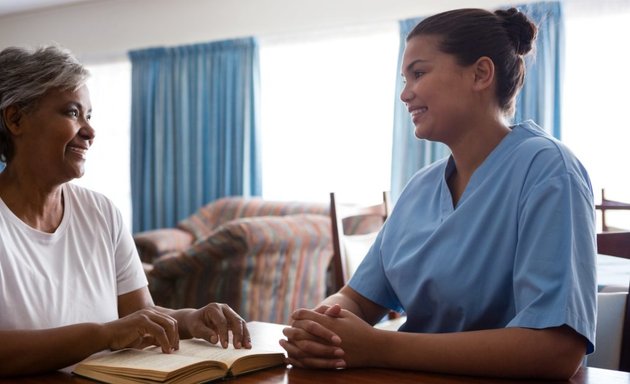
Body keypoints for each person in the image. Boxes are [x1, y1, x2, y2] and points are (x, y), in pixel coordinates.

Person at [280, 7, 596, 380]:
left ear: (480, 74)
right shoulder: (421, 187)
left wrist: (378, 346)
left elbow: (556, 350)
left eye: (419, 73)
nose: (404, 94)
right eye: (405, 78)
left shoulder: (548, 170)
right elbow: (358, 297)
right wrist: (322, 326)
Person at [0, 45, 251, 377]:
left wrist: (190, 318)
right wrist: (103, 334)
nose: (89, 132)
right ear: (15, 119)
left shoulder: (101, 212)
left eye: (88, 116)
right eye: (72, 113)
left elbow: (140, 316)